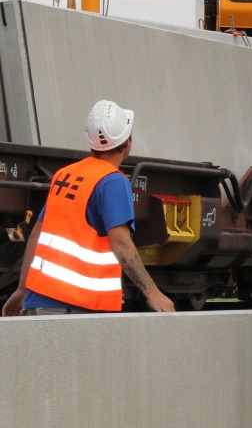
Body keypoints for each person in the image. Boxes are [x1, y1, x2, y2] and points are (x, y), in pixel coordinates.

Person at [1, 100, 176, 316]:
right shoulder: (112, 181)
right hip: (80, 307)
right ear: (128, 141)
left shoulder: (65, 175)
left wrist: (22, 289)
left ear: (90, 141)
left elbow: (36, 235)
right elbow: (121, 243)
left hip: (41, 301)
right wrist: (153, 293)